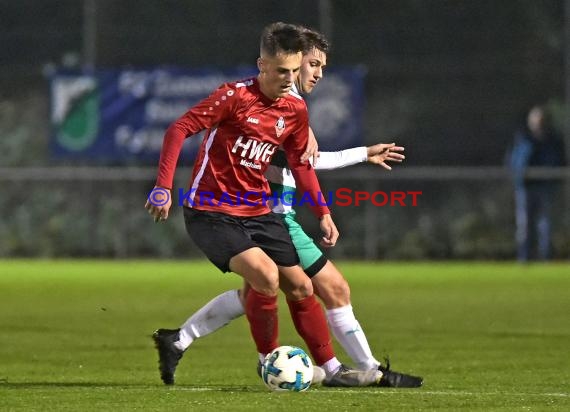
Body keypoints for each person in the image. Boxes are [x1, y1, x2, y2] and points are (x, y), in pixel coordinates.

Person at [149, 25, 422, 388]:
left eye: (294, 71)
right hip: (212, 211)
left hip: (259, 212)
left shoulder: (294, 109)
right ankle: (271, 363)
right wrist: (163, 187)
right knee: (265, 277)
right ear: (262, 65)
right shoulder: (233, 96)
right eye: (281, 71)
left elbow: (302, 163)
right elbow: (179, 129)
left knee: (301, 287)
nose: (289, 79)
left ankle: (335, 370)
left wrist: (323, 212)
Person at [507, 105, 566, 261]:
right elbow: (514, 161)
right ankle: (524, 258)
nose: (538, 122)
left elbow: (559, 161)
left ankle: (546, 257)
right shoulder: (523, 139)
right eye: (535, 119)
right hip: (526, 188)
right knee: (524, 226)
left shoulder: (553, 140)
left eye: (541, 119)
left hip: (545, 187)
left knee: (546, 225)